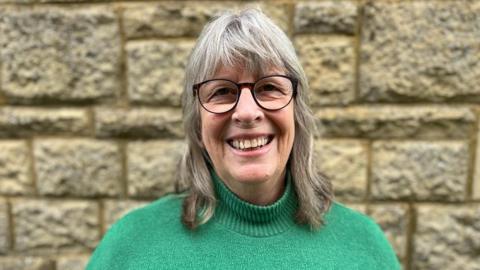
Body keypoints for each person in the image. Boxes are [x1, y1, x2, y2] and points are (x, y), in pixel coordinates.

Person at [87, 8, 400, 270]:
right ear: (197, 122)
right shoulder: (132, 247)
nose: (247, 112)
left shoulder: (364, 248)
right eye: (222, 92)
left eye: (268, 88)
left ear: (297, 111)